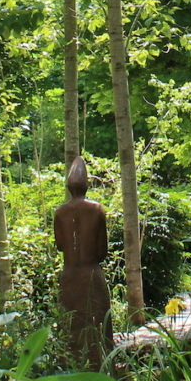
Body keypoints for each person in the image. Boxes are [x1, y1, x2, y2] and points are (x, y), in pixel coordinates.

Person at [54, 156, 112, 369]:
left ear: (68, 186)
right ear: (86, 184)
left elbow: (60, 245)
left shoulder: (60, 212)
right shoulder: (96, 210)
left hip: (69, 276)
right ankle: (101, 372)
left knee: (72, 328)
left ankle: (73, 372)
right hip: (91, 275)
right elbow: (102, 250)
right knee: (98, 328)